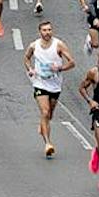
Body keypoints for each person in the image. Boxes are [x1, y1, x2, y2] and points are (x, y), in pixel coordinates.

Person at [23, 21, 76, 160]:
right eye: (44, 30)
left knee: (49, 115)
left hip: (55, 85)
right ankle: (48, 144)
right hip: (39, 83)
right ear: (39, 32)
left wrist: (59, 68)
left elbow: (72, 62)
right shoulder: (34, 46)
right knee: (45, 112)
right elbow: (26, 58)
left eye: (49, 30)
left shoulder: (58, 45)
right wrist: (30, 70)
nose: (47, 32)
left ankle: (43, 125)